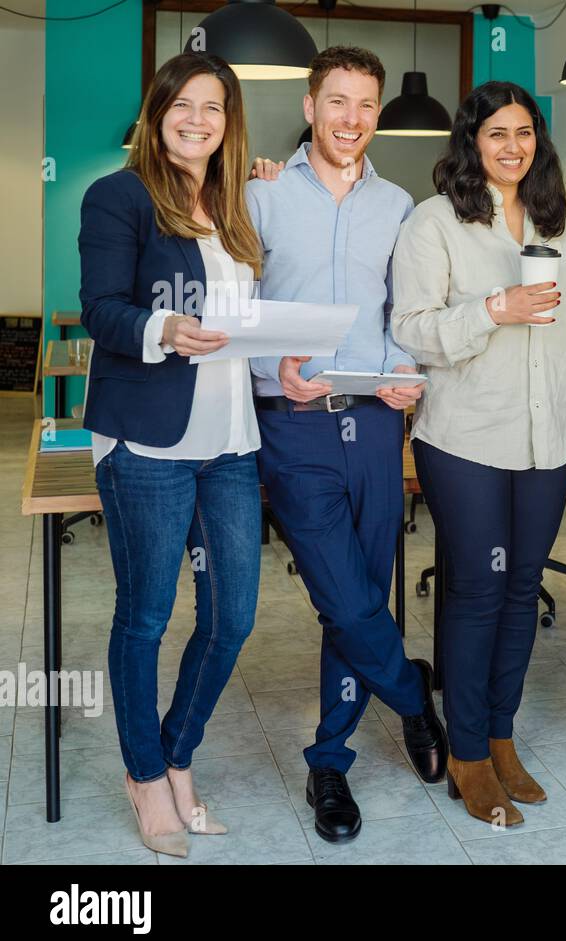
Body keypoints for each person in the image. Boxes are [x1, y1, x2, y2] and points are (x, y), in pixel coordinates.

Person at [246, 46, 446, 845]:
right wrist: (272, 367)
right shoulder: (258, 195)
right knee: (342, 590)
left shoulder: (399, 204)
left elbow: (402, 313)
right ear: (309, 106)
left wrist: (406, 372)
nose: (352, 120)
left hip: (373, 421)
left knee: (359, 591)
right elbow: (236, 302)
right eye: (337, 102)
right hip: (291, 421)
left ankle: (330, 759)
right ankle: (414, 698)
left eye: (366, 105)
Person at [391, 81, 566, 827]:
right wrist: (493, 310)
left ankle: (501, 737)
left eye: (526, 132)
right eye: (497, 133)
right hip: (466, 435)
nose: (514, 146)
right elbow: (411, 328)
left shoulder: (559, 221)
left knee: (520, 588)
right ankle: (467, 751)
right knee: (476, 589)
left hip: (547, 434)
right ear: (471, 142)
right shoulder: (434, 222)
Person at [79, 52, 264, 857]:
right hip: (148, 440)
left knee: (232, 618)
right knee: (147, 616)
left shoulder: (235, 206)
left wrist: (282, 357)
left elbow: (249, 320)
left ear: (230, 121)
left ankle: (177, 754)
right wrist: (164, 331)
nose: (198, 119)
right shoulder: (118, 196)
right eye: (182, 104)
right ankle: (146, 778)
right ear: (157, 113)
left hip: (230, 441)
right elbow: (102, 311)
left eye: (214, 107)